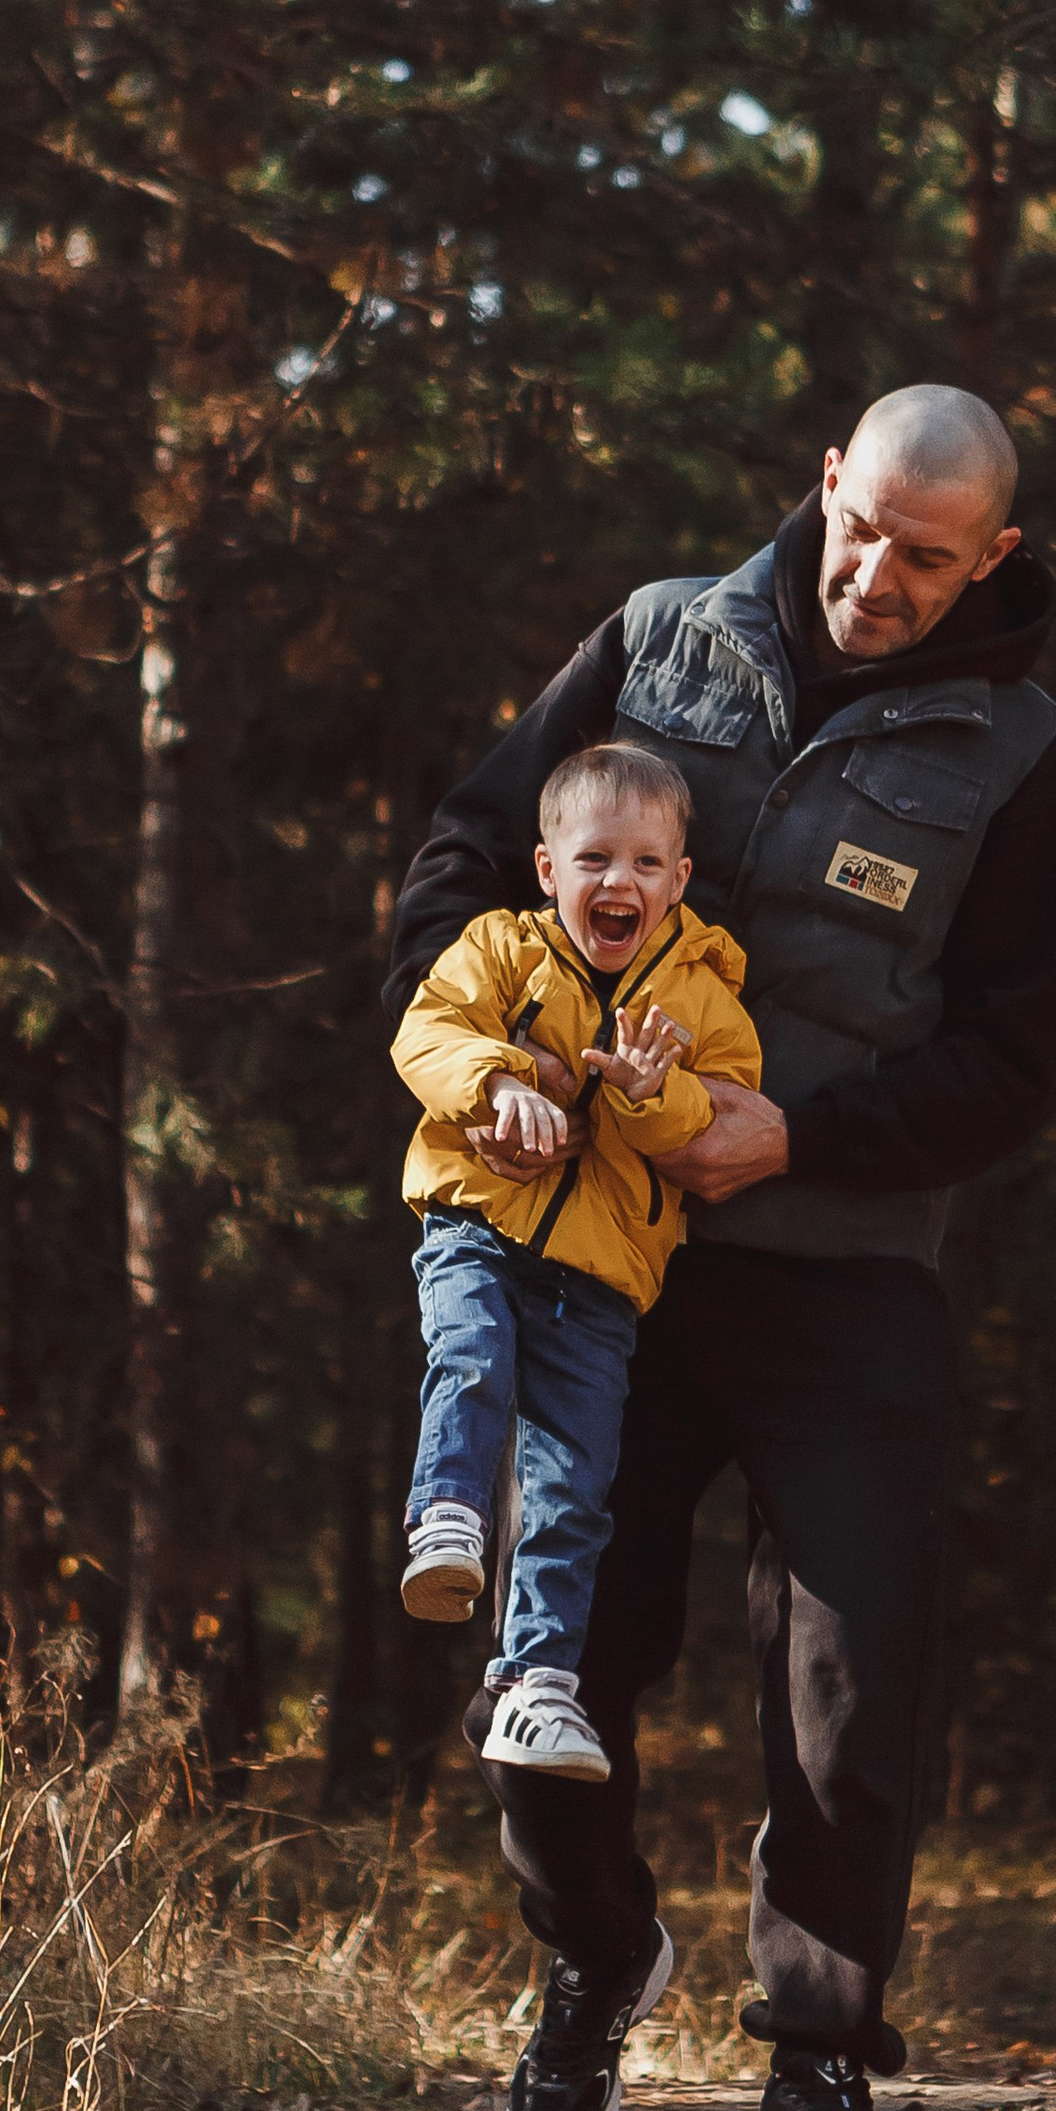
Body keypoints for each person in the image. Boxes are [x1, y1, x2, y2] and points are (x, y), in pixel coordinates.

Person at [386, 385, 1056, 2111]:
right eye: (862, 527)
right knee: (554, 1646)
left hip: (844, 1266)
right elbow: (462, 864)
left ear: (991, 557)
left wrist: (807, 1135)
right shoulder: (654, 639)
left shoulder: (1020, 754)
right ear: (827, 483)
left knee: (852, 1675)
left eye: (927, 556)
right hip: (594, 1257)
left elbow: (1021, 1057)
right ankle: (593, 1952)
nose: (877, 576)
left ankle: (817, 2068)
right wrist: (489, 1075)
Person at [390, 742, 762, 1783]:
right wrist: (502, 1080)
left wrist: (652, 1094)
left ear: (678, 880)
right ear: (549, 869)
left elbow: (719, 1119)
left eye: (645, 863)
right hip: (477, 1223)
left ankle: (536, 1683)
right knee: (469, 1355)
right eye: (595, 858)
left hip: (601, 1278)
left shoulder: (705, 1000)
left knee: (574, 1481)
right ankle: (447, 1516)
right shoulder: (501, 949)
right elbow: (427, 1033)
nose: (619, 881)